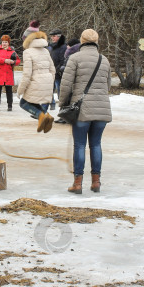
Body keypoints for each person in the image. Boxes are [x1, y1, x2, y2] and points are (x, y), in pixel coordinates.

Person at [59, 28, 112, 194]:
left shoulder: (74, 58)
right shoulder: (104, 60)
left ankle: (78, 183)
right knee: (96, 144)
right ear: (97, 41)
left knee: (80, 145)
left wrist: (63, 103)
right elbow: (108, 85)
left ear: (82, 41)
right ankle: (96, 182)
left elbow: (66, 85)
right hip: (102, 109)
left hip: (81, 109)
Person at [18, 31, 56, 132]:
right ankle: (46, 116)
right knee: (33, 102)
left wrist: (20, 90)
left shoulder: (28, 52)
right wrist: (50, 82)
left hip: (35, 81)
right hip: (47, 81)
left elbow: (27, 74)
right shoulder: (46, 51)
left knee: (23, 103)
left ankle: (41, 116)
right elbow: (53, 70)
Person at [0, 35, 20, 111]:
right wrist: (5, 60)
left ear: (8, 43)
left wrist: (13, 62)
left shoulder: (12, 51)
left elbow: (18, 61)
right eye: (3, 42)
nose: (4, 43)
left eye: (6, 42)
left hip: (8, 73)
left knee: (9, 91)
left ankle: (10, 106)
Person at [47, 29, 66, 109]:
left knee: (60, 92)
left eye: (54, 36)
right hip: (51, 71)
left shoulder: (63, 47)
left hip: (59, 73)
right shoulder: (51, 46)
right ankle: (52, 103)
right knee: (49, 90)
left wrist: (57, 70)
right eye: (51, 36)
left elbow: (63, 61)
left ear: (59, 37)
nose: (52, 38)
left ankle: (62, 107)